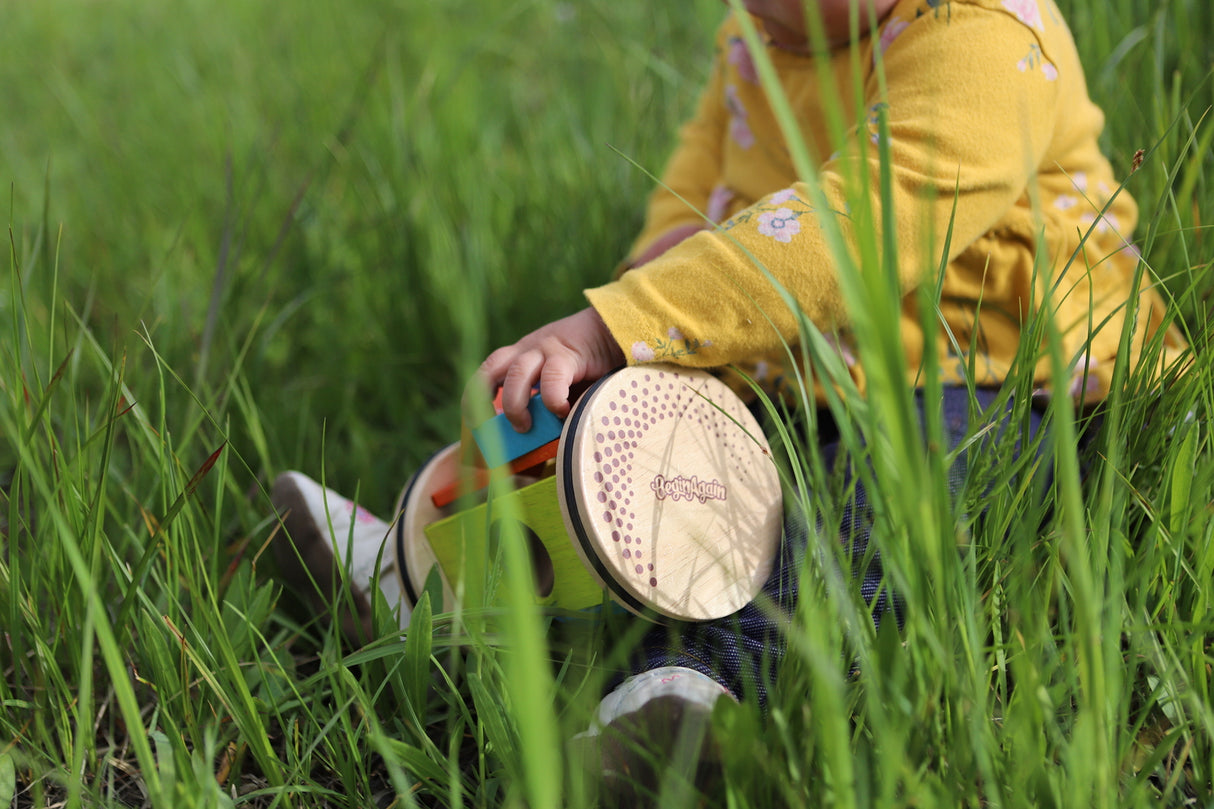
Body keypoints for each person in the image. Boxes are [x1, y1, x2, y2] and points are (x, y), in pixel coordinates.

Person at [271, 0, 1188, 801]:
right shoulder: (762, 32)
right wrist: (640, 340)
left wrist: (623, 324)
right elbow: (693, 194)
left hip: (996, 372)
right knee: (638, 477)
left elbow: (851, 228)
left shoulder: (990, 39)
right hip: (802, 358)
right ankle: (430, 583)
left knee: (865, 515)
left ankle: (702, 697)